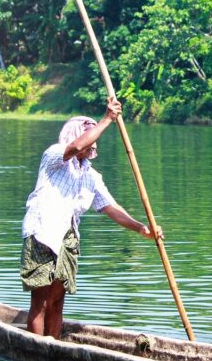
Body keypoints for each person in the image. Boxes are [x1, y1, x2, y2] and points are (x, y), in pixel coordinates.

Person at [20, 97, 160, 338]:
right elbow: (74, 148)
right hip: (43, 233)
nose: (91, 145)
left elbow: (111, 207)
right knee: (40, 302)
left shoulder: (91, 176)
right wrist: (108, 119)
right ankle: (36, 349)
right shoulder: (54, 156)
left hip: (67, 239)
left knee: (56, 303)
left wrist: (141, 229)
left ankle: (53, 347)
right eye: (88, 138)